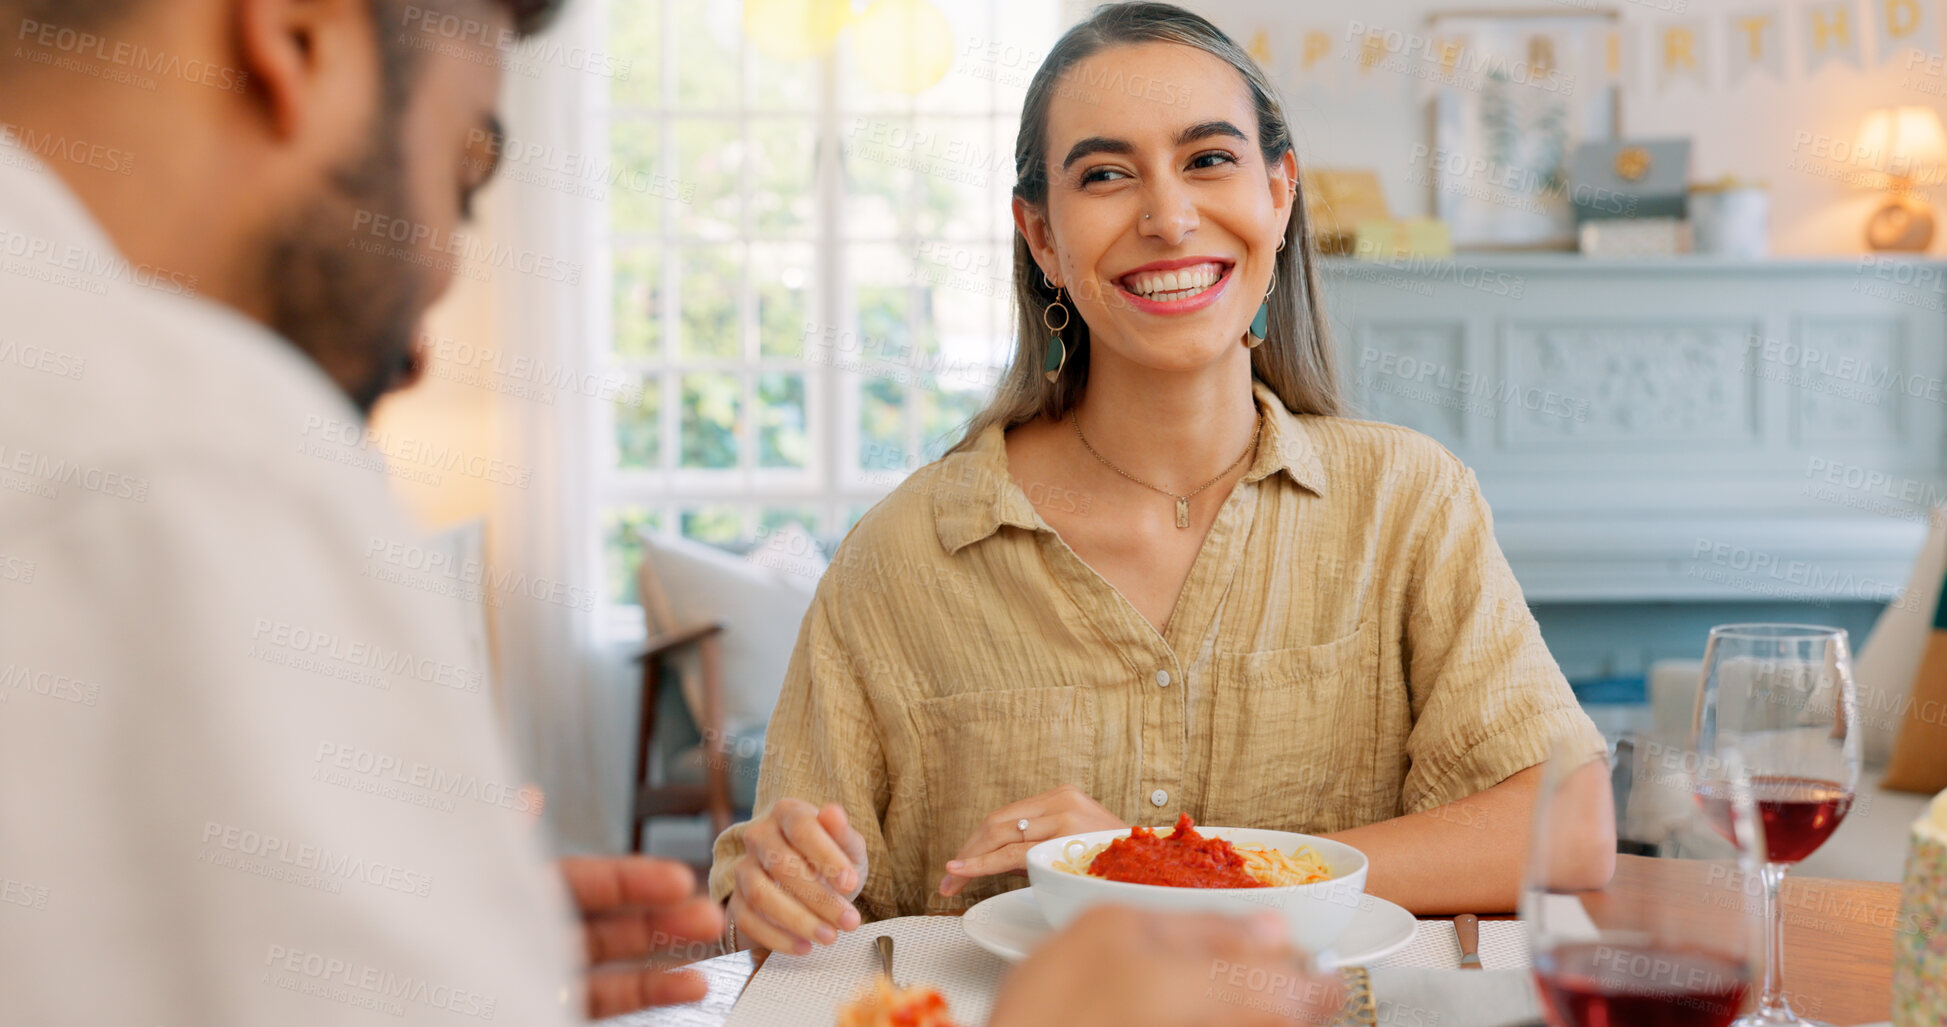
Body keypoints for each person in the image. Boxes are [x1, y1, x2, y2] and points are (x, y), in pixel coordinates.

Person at [0, 1, 1338, 1024]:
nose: (422, 332)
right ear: (288, 36)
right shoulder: (179, 457)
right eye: (461, 175)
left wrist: (471, 972)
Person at [712, 1, 1618, 958]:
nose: (1168, 215)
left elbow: (1569, 824)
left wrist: (1159, 867)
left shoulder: (1408, 503)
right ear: (1042, 236)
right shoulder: (901, 556)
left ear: (1279, 192)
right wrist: (775, 887)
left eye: (1208, 159)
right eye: (1104, 174)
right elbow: (780, 905)